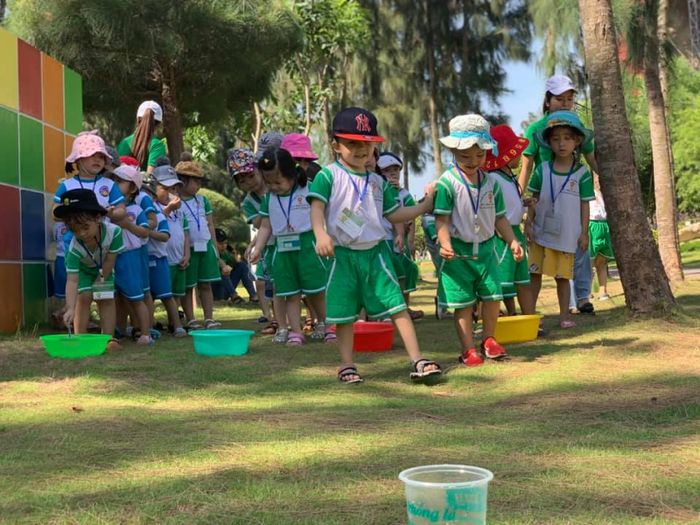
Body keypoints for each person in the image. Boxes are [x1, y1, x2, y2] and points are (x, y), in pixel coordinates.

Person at [308, 107, 442, 384]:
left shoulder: (379, 182)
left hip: (377, 254)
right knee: (344, 313)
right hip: (342, 256)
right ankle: (347, 365)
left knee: (397, 305)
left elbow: (395, 214)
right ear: (335, 145)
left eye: (366, 144)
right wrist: (320, 234)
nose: (360, 150)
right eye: (352, 143)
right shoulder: (328, 175)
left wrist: (424, 205)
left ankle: (417, 359)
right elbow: (317, 208)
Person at [434, 115, 524, 367]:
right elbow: (441, 219)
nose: (473, 161)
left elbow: (500, 218)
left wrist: (512, 241)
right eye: (465, 156)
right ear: (453, 151)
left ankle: (489, 339)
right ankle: (468, 349)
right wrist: (445, 243)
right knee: (463, 304)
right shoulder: (447, 183)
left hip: (486, 251)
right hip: (458, 254)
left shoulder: (491, 183)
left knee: (492, 296)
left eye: (479, 155)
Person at [519, 75, 598, 316]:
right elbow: (526, 167)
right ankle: (538, 310)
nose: (565, 103)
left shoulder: (576, 127)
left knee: (578, 248)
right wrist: (518, 199)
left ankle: (582, 298)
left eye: (569, 99)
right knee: (540, 259)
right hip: (544, 198)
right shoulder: (535, 130)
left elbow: (591, 159)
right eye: (559, 99)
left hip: (571, 196)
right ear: (547, 101)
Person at [250, 148, 334, 345]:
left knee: (316, 291)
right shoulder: (268, 198)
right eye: (269, 183)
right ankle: (295, 332)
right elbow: (265, 226)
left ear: (292, 174)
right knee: (290, 293)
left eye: (278, 182)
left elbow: (324, 213)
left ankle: (328, 325)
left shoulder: (310, 189)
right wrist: (258, 248)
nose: (273, 187)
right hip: (282, 250)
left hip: (308, 246)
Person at [56, 189, 124, 351]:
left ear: (98, 218)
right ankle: (80, 338)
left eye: (85, 227)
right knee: (84, 297)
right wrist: (70, 307)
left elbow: (110, 260)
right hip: (83, 270)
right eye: (75, 230)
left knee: (106, 298)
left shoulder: (115, 233)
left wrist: (101, 280)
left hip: (104, 268)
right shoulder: (73, 248)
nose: (82, 233)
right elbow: (72, 280)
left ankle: (108, 339)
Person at [484, 125, 534, 317]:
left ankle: (530, 319)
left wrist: (523, 203)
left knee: (522, 280)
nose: (518, 155)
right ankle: (495, 318)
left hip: (515, 233)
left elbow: (509, 203)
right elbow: (494, 210)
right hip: (502, 236)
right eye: (514, 151)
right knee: (501, 282)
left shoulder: (509, 178)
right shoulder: (493, 179)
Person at [227, 148, 278, 334]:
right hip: (269, 246)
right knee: (267, 283)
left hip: (289, 242)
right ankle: (273, 319)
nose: (248, 182)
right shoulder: (248, 203)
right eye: (242, 180)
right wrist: (255, 244)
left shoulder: (278, 188)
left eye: (250, 175)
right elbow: (264, 225)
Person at [110, 164, 155, 345]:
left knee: (136, 297)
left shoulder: (137, 210)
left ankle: (145, 333)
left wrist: (128, 225)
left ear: (132, 188)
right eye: (114, 180)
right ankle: (119, 330)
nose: (114, 184)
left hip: (130, 256)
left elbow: (144, 232)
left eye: (120, 181)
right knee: (117, 296)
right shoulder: (109, 208)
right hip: (112, 255)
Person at [377, 152, 423, 320]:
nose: (393, 173)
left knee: (405, 272)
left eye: (395, 169)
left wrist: (410, 240)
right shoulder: (377, 190)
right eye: (387, 170)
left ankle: (404, 308)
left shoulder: (404, 194)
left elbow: (412, 216)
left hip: (398, 242)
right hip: (381, 240)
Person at [177, 160, 222, 329]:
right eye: (195, 181)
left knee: (205, 284)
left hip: (205, 245)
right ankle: (191, 319)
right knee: (188, 286)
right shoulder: (175, 201)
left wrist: (215, 248)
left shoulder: (202, 200)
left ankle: (209, 318)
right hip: (187, 249)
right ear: (183, 181)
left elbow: (210, 224)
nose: (199, 185)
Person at [142, 174, 187, 337]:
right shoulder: (136, 213)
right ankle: (147, 326)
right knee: (147, 296)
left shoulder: (159, 214)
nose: (143, 197)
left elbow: (165, 236)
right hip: (143, 259)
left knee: (167, 295)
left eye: (148, 193)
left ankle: (177, 326)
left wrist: (146, 232)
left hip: (159, 260)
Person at [151, 164, 191, 326]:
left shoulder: (179, 211)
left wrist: (187, 254)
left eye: (174, 189)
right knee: (156, 293)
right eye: (166, 188)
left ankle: (173, 321)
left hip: (178, 259)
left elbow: (185, 234)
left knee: (176, 293)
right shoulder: (154, 207)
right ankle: (150, 322)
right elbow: (155, 223)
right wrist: (168, 209)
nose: (171, 193)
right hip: (162, 259)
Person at [117, 101, 167, 173]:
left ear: (138, 119)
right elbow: (151, 176)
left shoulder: (125, 142)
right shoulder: (157, 145)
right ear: (159, 124)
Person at [214, 228, 257, 304]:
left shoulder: (226, 254)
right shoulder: (209, 255)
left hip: (225, 289)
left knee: (242, 265)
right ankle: (234, 296)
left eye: (225, 243)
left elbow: (240, 266)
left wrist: (234, 254)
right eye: (220, 243)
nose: (224, 246)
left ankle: (253, 296)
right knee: (224, 270)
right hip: (215, 291)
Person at [588, 178, 614, 300]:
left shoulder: (600, 193)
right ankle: (587, 292)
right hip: (590, 224)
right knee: (588, 262)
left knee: (602, 261)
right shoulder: (582, 191)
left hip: (603, 225)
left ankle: (603, 291)